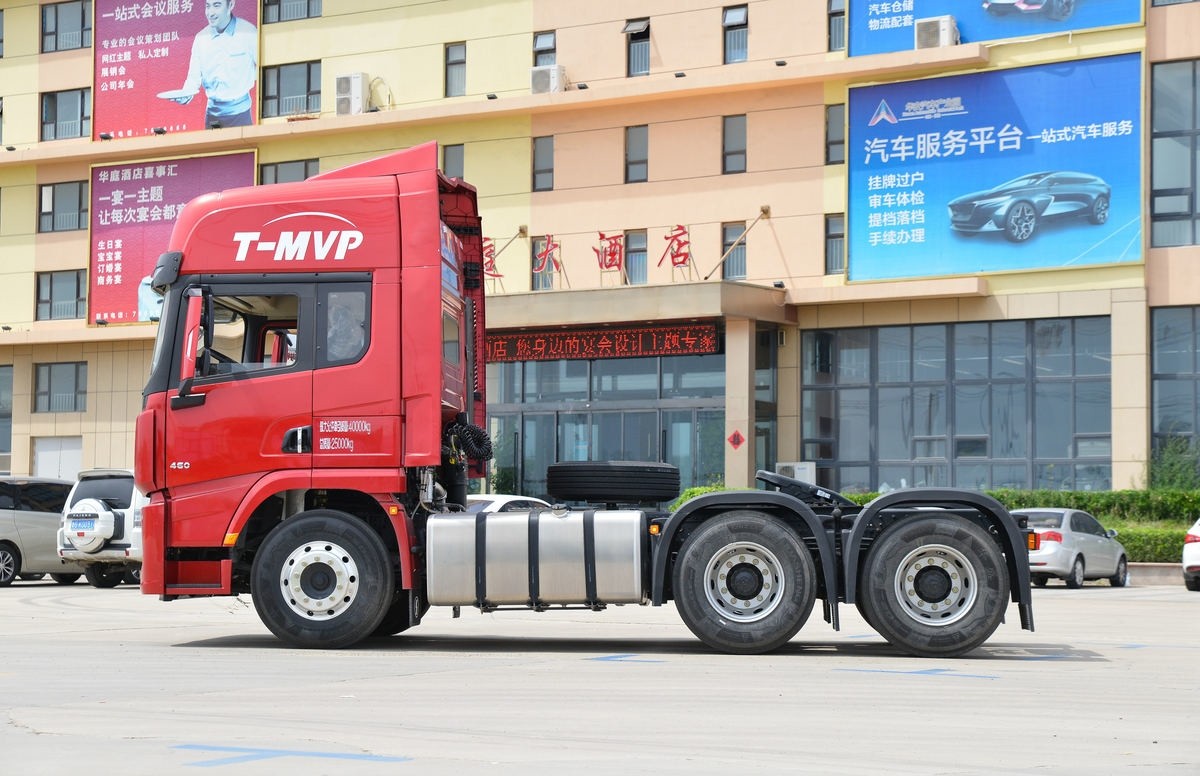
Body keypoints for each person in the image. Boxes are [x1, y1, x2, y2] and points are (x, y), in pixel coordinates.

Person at [172, 0, 258, 128]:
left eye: (217, 5)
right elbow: (193, 79)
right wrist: (185, 95)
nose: (210, 13)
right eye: (208, 6)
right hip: (212, 116)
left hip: (241, 114)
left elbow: (263, 67)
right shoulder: (201, 38)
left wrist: (245, 78)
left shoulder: (248, 32)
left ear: (231, 5)